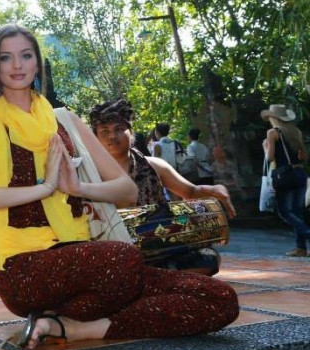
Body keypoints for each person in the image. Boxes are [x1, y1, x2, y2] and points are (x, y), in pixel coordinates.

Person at [0, 24, 238, 350]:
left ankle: (70, 327)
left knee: (219, 298)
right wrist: (44, 188)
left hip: (92, 265)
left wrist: (78, 187)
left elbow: (126, 191)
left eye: (25, 55)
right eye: (6, 58)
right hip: (24, 269)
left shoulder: (66, 122)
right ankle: (71, 311)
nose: (17, 66)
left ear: (37, 63)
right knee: (122, 261)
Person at [90, 98, 236, 275]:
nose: (112, 136)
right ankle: (156, 277)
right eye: (104, 131)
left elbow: (190, 192)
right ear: (95, 137)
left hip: (159, 248)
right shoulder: (87, 172)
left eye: (119, 129)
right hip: (113, 252)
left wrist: (215, 189)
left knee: (208, 257)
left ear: (131, 132)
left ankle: (153, 276)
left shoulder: (155, 166)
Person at [261, 104, 310, 257]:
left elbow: (269, 157)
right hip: (300, 173)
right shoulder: (296, 132)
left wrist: (265, 146)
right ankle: (301, 248)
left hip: (284, 176)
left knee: (285, 212)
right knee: (298, 212)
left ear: (274, 118)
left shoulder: (273, 133)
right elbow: (304, 157)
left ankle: (307, 235)